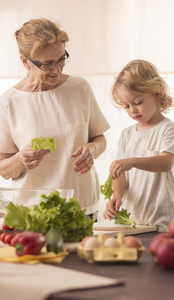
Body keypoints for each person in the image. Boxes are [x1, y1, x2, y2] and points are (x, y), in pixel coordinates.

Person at [0, 18, 110, 219]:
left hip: (82, 207)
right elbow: (4, 169)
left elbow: (99, 138)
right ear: (25, 61)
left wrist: (93, 150)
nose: (57, 70)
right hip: (33, 213)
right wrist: (19, 159)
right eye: (47, 63)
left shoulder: (80, 88)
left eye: (61, 59)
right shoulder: (8, 102)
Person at [103, 60, 174, 232]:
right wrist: (116, 195)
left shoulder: (167, 129)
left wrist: (131, 161)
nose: (132, 110)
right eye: (126, 106)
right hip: (132, 220)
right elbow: (120, 173)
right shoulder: (127, 134)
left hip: (161, 218)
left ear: (156, 93)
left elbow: (165, 163)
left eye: (137, 102)